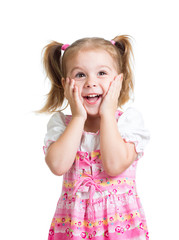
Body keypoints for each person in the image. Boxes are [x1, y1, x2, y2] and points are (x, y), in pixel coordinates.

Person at [39, 35, 150, 239]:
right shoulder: (62, 125)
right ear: (65, 84)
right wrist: (79, 117)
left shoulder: (127, 123)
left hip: (120, 228)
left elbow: (114, 165)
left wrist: (108, 113)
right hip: (74, 229)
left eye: (101, 73)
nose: (91, 82)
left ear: (118, 80)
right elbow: (57, 166)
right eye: (80, 75)